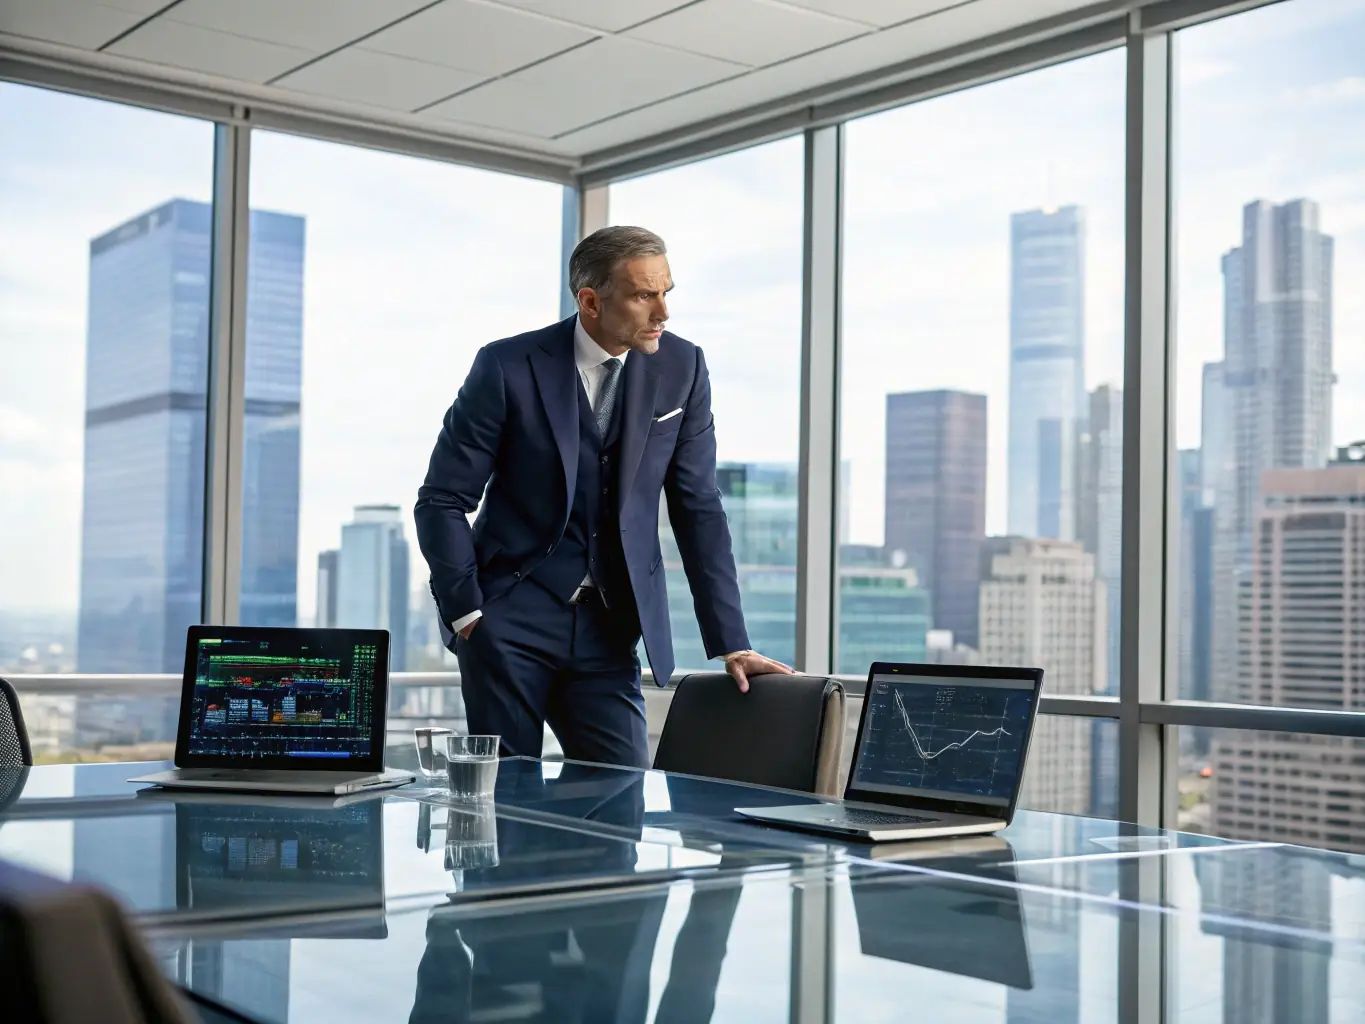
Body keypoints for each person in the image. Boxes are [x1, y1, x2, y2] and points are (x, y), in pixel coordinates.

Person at [414, 225, 791, 769]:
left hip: (610, 628)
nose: (663, 312)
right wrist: (468, 614)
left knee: (622, 796)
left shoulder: (682, 367)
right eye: (645, 295)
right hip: (509, 620)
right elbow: (442, 499)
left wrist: (732, 640)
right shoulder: (507, 366)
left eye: (667, 291)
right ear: (590, 300)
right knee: (507, 812)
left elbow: (698, 507)